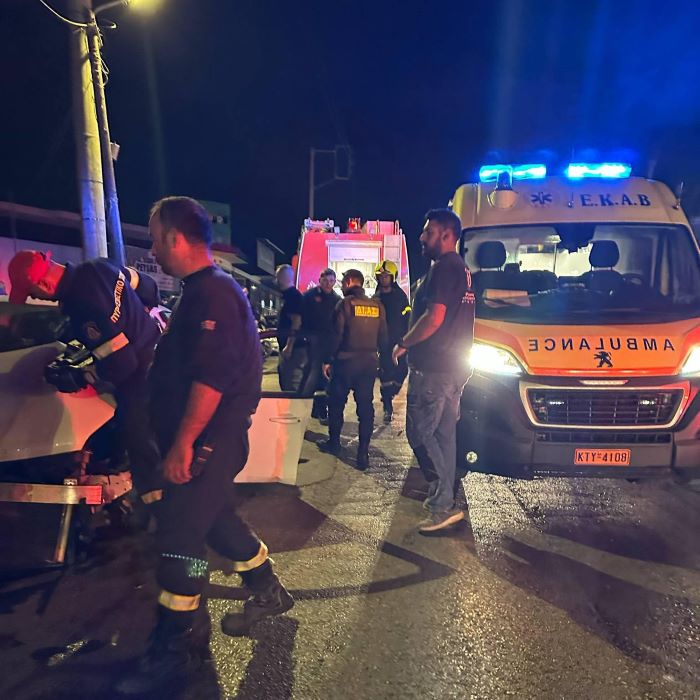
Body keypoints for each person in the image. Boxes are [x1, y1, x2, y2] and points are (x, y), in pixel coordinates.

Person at [118, 197, 293, 694]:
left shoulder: (213, 295)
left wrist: (183, 444)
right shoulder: (204, 291)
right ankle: (266, 587)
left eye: (156, 239)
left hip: (204, 446)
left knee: (180, 542)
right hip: (204, 444)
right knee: (213, 521)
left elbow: (211, 379)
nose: (154, 250)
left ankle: (178, 648)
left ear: (175, 238)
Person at [7, 250, 163, 511]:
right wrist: (140, 314)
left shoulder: (82, 304)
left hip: (140, 374)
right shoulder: (100, 268)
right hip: (158, 356)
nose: (37, 298)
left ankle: (159, 512)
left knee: (139, 439)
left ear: (44, 284)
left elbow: (123, 364)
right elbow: (147, 286)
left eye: (33, 293)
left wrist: (82, 376)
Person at [392, 209, 475, 533]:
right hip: (453, 367)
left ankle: (442, 505)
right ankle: (445, 502)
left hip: (434, 368)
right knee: (443, 435)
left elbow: (434, 317)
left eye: (428, 232)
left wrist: (404, 343)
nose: (422, 237)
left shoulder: (443, 268)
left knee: (419, 433)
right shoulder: (462, 269)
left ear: (446, 235)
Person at [320, 269, 388, 470]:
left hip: (345, 362)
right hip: (368, 364)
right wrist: (383, 363)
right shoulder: (377, 306)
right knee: (365, 407)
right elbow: (384, 337)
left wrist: (327, 360)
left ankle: (334, 443)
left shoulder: (345, 304)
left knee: (336, 403)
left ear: (350, 282)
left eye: (342, 282)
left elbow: (336, 336)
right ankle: (363, 453)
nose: (341, 285)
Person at [299, 268, 341, 421]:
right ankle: (314, 408)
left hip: (329, 344)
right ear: (320, 281)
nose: (328, 284)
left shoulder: (337, 300)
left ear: (335, 282)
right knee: (312, 375)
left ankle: (319, 409)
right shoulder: (309, 296)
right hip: (312, 342)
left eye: (331, 281)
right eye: (325, 281)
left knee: (324, 377)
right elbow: (301, 317)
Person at [373, 259, 410, 423]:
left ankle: (392, 392)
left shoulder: (400, 297)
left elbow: (408, 317)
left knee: (402, 370)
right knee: (385, 374)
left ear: (392, 277)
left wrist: (406, 339)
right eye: (381, 276)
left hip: (398, 342)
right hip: (382, 343)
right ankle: (387, 405)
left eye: (386, 276)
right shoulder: (375, 298)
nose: (383, 279)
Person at [275, 264, 306, 391]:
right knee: (286, 380)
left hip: (294, 350)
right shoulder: (289, 296)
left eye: (278, 277)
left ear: (283, 277)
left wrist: (289, 346)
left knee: (290, 384)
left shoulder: (293, 297)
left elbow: (296, 322)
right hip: (290, 349)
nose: (276, 280)